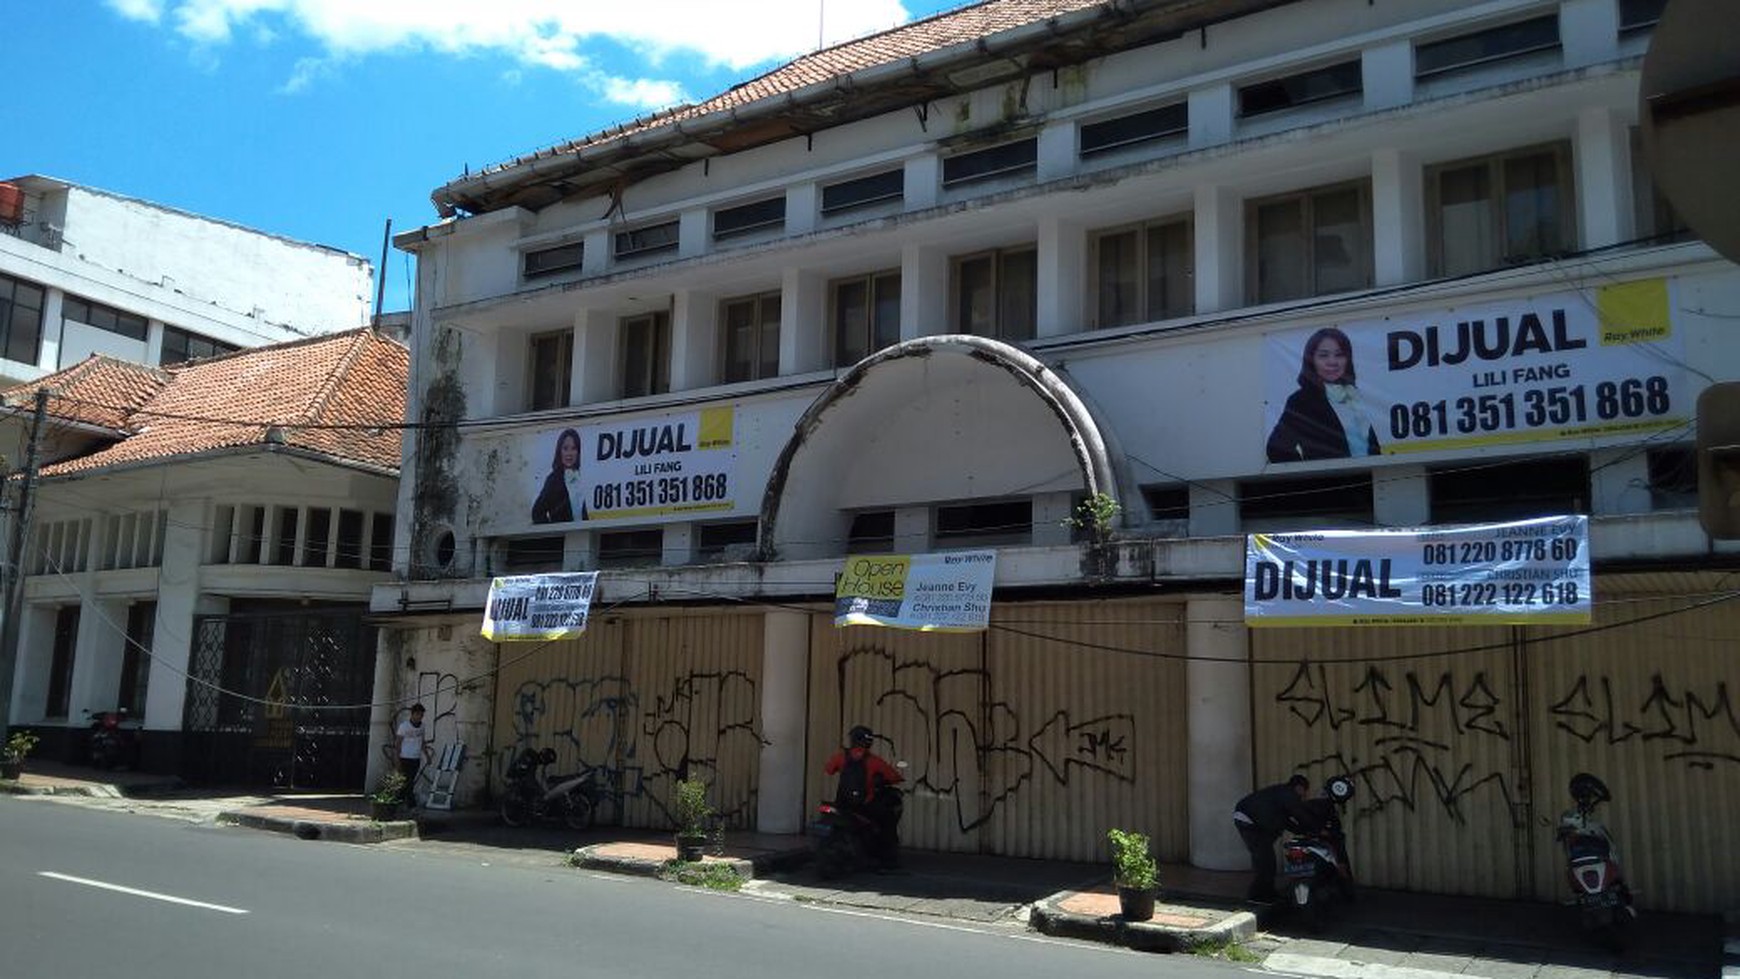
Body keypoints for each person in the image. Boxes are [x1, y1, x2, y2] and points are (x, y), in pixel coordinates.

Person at [1266, 327, 1381, 463]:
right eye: (1323, 355)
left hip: (1372, 480)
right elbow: (1276, 448)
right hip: (1335, 483)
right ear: (1311, 360)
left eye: (1339, 355)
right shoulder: (1301, 401)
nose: (1332, 362)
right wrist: (1311, 477)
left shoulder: (1356, 396)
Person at [1232, 773, 1322, 903]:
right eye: (1305, 791)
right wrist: (1316, 829)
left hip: (1250, 820)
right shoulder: (1288, 795)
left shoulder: (1282, 793)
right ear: (1299, 787)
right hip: (1250, 822)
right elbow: (1299, 814)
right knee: (1265, 861)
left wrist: (1302, 830)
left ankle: (1268, 893)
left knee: (1267, 860)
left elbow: (1286, 820)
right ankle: (1256, 896)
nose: (1305, 795)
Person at [823, 725, 904, 866]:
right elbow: (894, 777)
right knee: (887, 823)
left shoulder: (841, 757)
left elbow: (829, 770)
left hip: (843, 804)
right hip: (864, 805)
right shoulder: (874, 761)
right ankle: (888, 861)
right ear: (868, 742)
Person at [531, 428, 587, 524]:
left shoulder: (585, 475)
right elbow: (537, 513)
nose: (569, 454)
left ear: (578, 452)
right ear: (559, 451)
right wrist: (553, 533)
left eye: (573, 448)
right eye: (565, 448)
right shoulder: (553, 480)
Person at [394, 703, 432, 808]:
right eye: (418, 714)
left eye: (422, 715)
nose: (420, 717)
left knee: (408, 782)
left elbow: (422, 742)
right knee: (408, 782)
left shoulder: (422, 726)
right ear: (413, 714)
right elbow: (398, 743)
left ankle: (397, 802)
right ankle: (412, 805)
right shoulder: (404, 726)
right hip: (405, 757)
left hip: (416, 758)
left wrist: (427, 756)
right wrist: (397, 759)